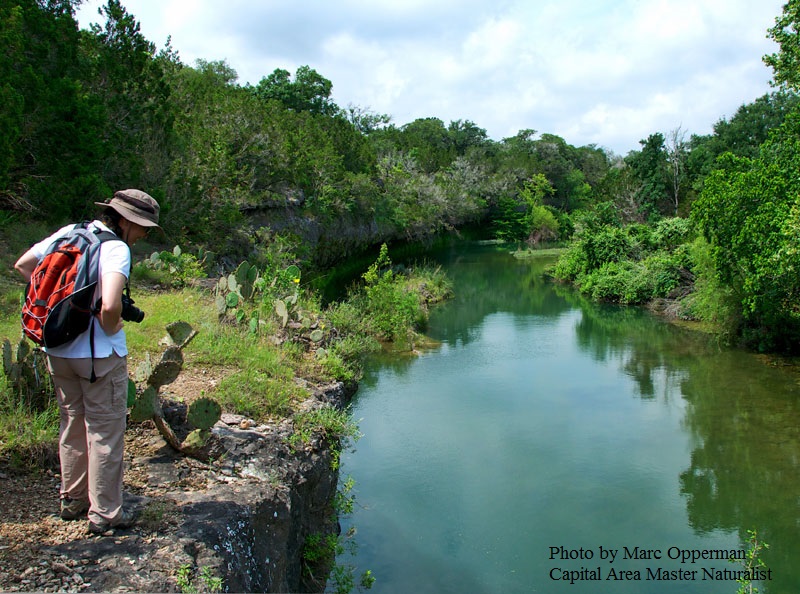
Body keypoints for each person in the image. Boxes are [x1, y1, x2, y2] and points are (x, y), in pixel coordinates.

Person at [14, 189, 161, 534]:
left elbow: (24, 266)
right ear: (124, 220)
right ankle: (105, 514)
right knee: (104, 431)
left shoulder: (70, 232)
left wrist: (59, 309)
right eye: (143, 227)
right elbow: (110, 305)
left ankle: (73, 499)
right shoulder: (115, 249)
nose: (144, 234)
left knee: (72, 423)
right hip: (98, 357)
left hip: (58, 350)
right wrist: (112, 326)